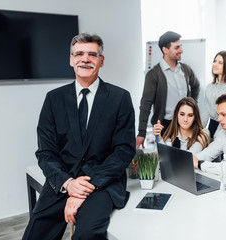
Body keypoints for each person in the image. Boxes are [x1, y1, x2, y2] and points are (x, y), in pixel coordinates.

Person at [22, 33, 135, 240]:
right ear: (71, 59)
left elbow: (123, 151)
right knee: (35, 234)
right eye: (80, 54)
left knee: (88, 234)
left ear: (101, 61)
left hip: (103, 182)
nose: (85, 59)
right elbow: (46, 152)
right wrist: (69, 184)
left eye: (92, 54)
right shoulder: (53, 99)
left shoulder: (120, 98)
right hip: (62, 180)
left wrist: (83, 189)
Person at [136, 31, 200, 148]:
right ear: (165, 50)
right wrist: (141, 132)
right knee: (167, 160)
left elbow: (196, 86)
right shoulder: (153, 75)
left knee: (186, 158)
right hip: (165, 126)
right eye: (177, 47)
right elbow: (145, 104)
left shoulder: (185, 70)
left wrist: (192, 103)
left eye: (181, 46)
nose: (181, 50)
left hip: (185, 124)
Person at [201, 51, 226, 138]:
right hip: (212, 125)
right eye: (215, 61)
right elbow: (206, 111)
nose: (215, 64)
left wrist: (218, 134)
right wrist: (198, 130)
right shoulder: (209, 87)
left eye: (220, 63)